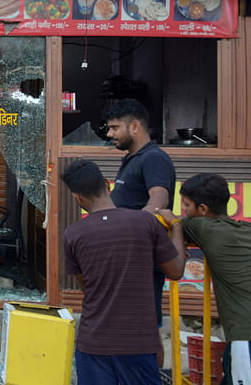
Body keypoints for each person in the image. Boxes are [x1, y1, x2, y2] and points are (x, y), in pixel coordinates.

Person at [62, 160, 185, 385]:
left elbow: (87, 287)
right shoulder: (145, 223)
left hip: (94, 343)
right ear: (108, 185)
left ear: (77, 198)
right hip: (138, 343)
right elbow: (176, 271)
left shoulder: (73, 234)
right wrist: (176, 226)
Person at [159, 174, 251, 385]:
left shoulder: (203, 227)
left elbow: (174, 225)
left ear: (203, 210)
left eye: (186, 205)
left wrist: (172, 221)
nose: (184, 211)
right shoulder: (244, 230)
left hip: (245, 336)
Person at [103, 98, 176, 364]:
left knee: (149, 331)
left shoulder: (154, 158)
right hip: (128, 257)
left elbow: (159, 201)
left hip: (143, 259)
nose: (110, 134)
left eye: (114, 128)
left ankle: (151, 378)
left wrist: (130, 229)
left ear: (134, 126)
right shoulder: (133, 159)